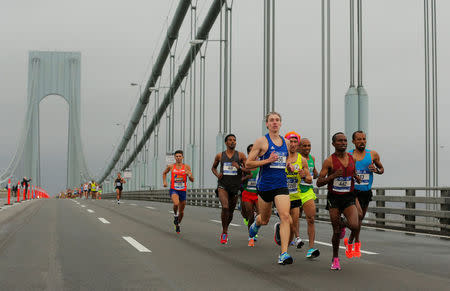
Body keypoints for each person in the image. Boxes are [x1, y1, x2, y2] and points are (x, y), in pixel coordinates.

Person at [246, 112, 293, 265]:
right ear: (267, 124)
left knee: (285, 216)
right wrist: (267, 160)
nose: (274, 122)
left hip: (281, 185)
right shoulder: (261, 142)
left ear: (281, 123)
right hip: (265, 186)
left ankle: (283, 253)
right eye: (271, 120)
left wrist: (289, 166)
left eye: (277, 120)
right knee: (264, 219)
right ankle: (256, 224)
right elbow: (248, 164)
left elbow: (284, 161)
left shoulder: (286, 142)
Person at [317, 132, 361, 270]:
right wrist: (333, 176)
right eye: (340, 141)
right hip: (334, 198)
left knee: (355, 225)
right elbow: (318, 182)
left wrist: (356, 177)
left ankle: (343, 224)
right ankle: (335, 258)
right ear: (333, 144)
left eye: (345, 140)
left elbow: (352, 172)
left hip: (348, 197)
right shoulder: (329, 161)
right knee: (336, 232)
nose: (343, 143)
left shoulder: (352, 158)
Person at [346, 131, 384, 257]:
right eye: (359, 139)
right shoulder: (349, 155)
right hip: (352, 191)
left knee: (360, 219)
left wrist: (376, 170)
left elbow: (382, 169)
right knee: (359, 216)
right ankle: (356, 241)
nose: (362, 141)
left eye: (364, 139)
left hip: (366, 191)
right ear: (353, 142)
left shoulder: (372, 154)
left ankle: (352, 241)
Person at [211, 134, 247, 244]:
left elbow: (248, 171)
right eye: (230, 140)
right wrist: (217, 175)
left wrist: (239, 167)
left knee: (230, 212)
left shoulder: (241, 155)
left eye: (234, 140)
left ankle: (226, 226)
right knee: (225, 207)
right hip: (223, 185)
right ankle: (224, 232)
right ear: (226, 143)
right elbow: (213, 168)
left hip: (235, 187)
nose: (232, 142)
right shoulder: (219, 156)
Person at [298, 137, 321, 258]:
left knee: (311, 218)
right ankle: (294, 237)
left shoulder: (312, 158)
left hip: (307, 191)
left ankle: (311, 248)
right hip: (295, 191)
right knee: (294, 218)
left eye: (309, 145)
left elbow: (314, 173)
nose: (307, 148)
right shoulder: (295, 158)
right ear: (298, 147)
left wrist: (317, 174)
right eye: (304, 146)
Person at [163, 150, 194, 233]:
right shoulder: (171, 166)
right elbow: (164, 173)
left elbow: (192, 180)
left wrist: (189, 175)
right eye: (176, 156)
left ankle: (178, 224)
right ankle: (175, 215)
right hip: (174, 189)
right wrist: (165, 182)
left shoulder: (187, 167)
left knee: (182, 212)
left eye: (180, 156)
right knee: (176, 203)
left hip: (183, 190)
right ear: (174, 157)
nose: (178, 158)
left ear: (182, 157)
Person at [241, 144, 260, 247]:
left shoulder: (261, 165)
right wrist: (247, 177)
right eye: (251, 151)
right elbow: (239, 180)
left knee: (260, 215)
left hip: (258, 194)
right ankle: (251, 236)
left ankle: (255, 228)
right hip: (247, 193)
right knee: (250, 215)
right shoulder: (245, 166)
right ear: (248, 153)